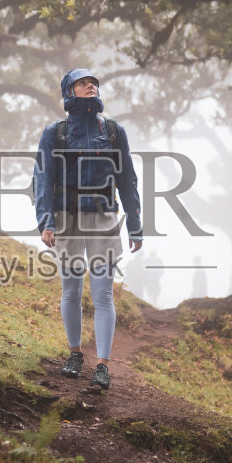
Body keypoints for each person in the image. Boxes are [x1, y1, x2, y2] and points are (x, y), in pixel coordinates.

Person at [33, 68, 142, 390]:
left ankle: (103, 365)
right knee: (70, 290)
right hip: (66, 217)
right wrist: (46, 221)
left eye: (93, 83)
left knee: (103, 294)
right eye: (82, 83)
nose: (90, 86)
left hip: (104, 218)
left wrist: (135, 227)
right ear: (70, 91)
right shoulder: (56, 132)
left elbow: (128, 180)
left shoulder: (112, 130)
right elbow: (41, 178)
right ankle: (75, 353)